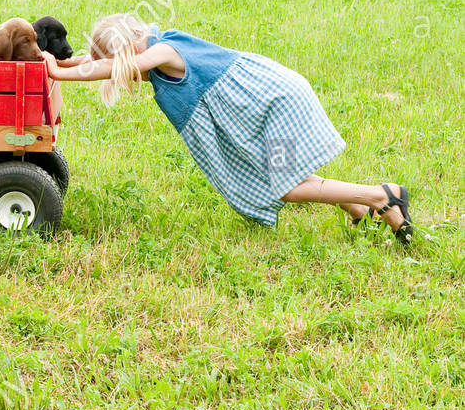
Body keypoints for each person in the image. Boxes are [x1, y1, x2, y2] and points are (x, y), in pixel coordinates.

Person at [42, 14, 412, 243]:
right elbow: (95, 63)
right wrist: (58, 60)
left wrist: (58, 73)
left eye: (120, 61)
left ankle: (382, 196)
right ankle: (362, 212)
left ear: (126, 52)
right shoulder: (152, 49)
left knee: (288, 186)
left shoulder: (164, 51)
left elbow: (110, 67)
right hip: (269, 102)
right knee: (287, 173)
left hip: (275, 102)